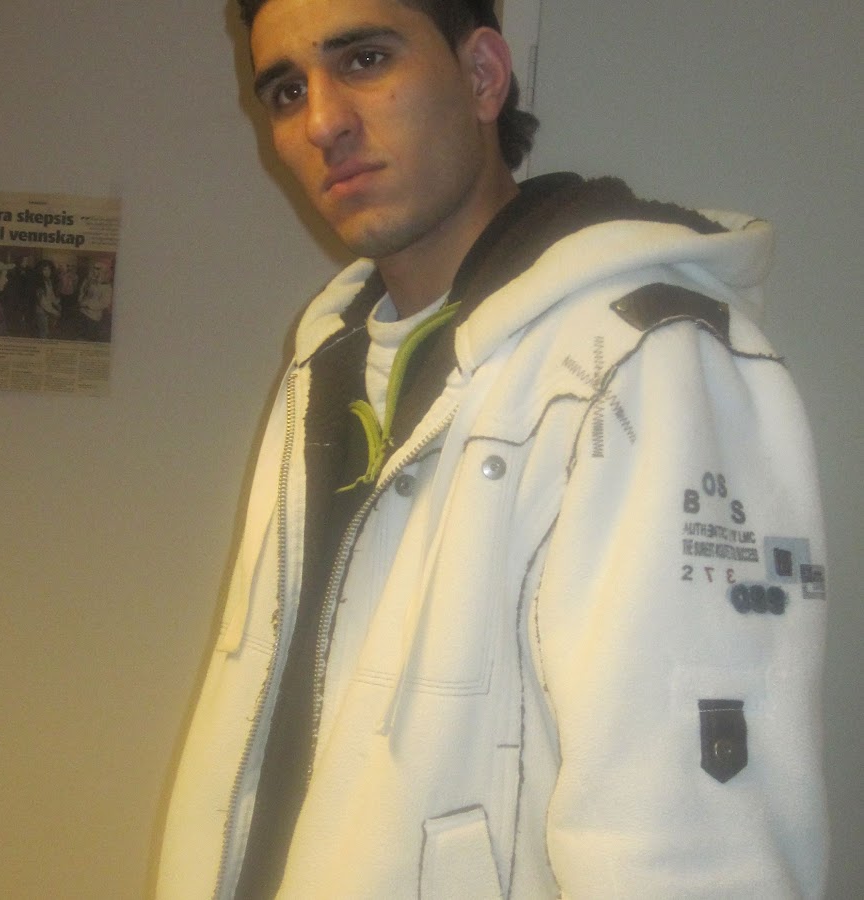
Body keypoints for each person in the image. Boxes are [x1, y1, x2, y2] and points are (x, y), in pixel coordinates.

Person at [157, 1, 828, 897]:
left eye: (364, 60)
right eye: (285, 91)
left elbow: (691, 845)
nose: (321, 123)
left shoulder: (640, 364)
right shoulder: (327, 367)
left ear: (481, 76)